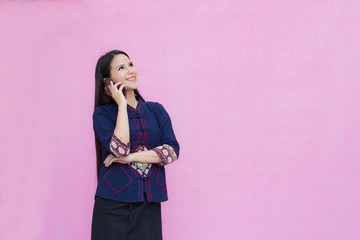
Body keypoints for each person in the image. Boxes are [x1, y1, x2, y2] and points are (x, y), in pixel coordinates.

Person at [91, 50, 180, 240]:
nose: (131, 71)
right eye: (121, 68)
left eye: (131, 65)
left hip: (149, 205)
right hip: (111, 206)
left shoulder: (156, 110)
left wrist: (131, 157)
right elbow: (119, 149)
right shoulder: (103, 114)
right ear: (107, 81)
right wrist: (121, 105)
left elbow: (172, 151)